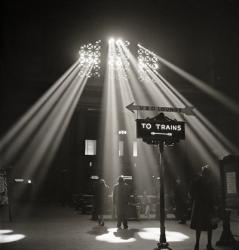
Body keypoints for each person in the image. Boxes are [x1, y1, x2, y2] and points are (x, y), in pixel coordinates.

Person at [190, 165, 218, 250]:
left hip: (199, 206)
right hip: (206, 206)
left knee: (200, 227)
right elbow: (213, 195)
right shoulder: (210, 182)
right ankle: (208, 245)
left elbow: (191, 193)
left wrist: (196, 199)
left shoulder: (196, 181)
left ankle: (197, 245)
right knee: (209, 227)